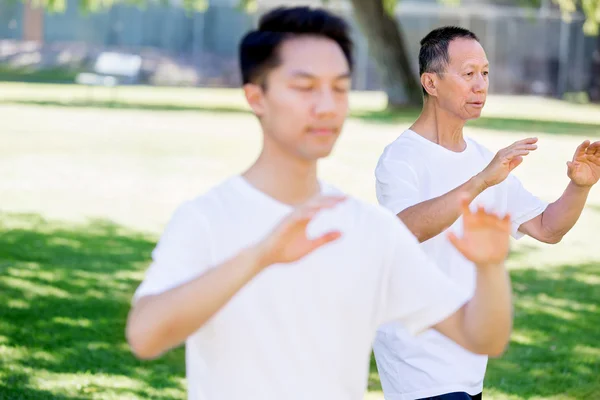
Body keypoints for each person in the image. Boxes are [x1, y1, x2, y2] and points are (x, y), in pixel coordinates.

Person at [126, 9, 516, 400]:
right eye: (305, 87)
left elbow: (483, 336)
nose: (327, 106)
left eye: (340, 88)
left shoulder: (367, 228)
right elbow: (145, 335)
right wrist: (262, 255)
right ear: (256, 97)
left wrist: (489, 267)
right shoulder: (208, 218)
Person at [373, 26, 600, 400]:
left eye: (485, 73)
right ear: (431, 82)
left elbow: (547, 228)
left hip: (469, 359)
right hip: (417, 358)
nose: (481, 85)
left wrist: (580, 185)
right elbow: (405, 228)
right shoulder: (401, 158)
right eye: (468, 74)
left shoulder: (483, 159)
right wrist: (480, 182)